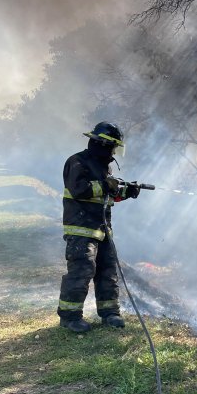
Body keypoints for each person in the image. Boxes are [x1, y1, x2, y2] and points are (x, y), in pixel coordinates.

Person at [57, 121, 141, 333]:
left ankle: (110, 313)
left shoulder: (105, 167)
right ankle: (70, 317)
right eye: (113, 147)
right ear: (103, 144)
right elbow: (79, 190)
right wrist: (105, 185)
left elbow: (107, 195)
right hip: (81, 229)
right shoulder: (77, 162)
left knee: (108, 272)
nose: (113, 152)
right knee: (81, 271)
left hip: (102, 230)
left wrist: (127, 191)